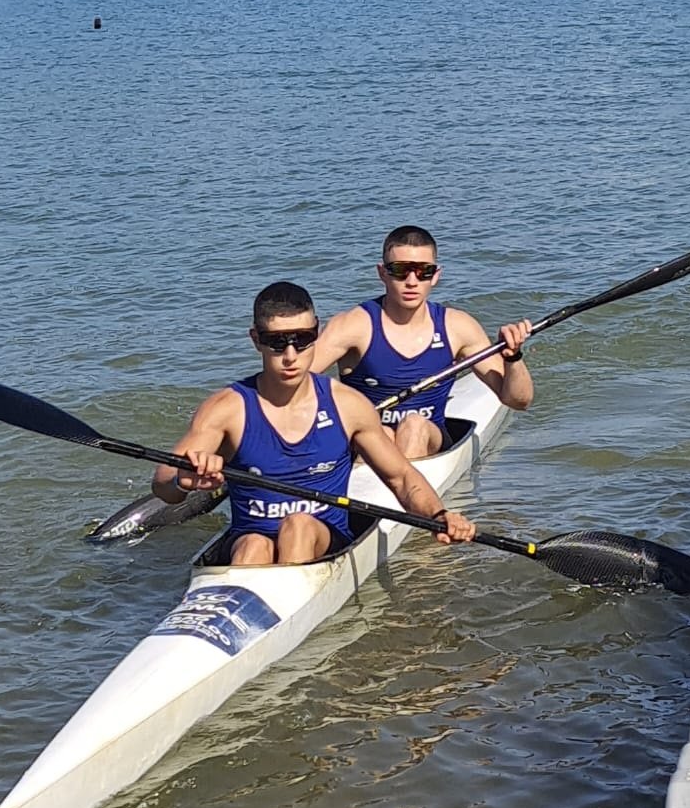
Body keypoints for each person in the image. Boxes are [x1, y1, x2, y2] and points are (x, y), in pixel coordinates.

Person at [151, 281, 477, 566]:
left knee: (299, 526)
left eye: (303, 339)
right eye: (277, 342)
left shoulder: (347, 405)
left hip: (321, 536)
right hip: (251, 541)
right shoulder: (226, 408)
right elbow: (163, 486)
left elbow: (402, 479)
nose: (291, 355)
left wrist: (439, 516)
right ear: (256, 339)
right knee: (253, 546)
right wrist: (185, 480)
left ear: (317, 333)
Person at [307, 225, 534, 460]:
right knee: (377, 432)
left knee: (413, 425)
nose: (412, 281)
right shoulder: (353, 326)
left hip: (428, 437)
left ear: (435, 275)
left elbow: (518, 401)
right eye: (400, 270)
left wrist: (513, 358)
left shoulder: (457, 327)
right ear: (382, 273)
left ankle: (404, 489)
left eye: (423, 271)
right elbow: (289, 384)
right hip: (369, 441)